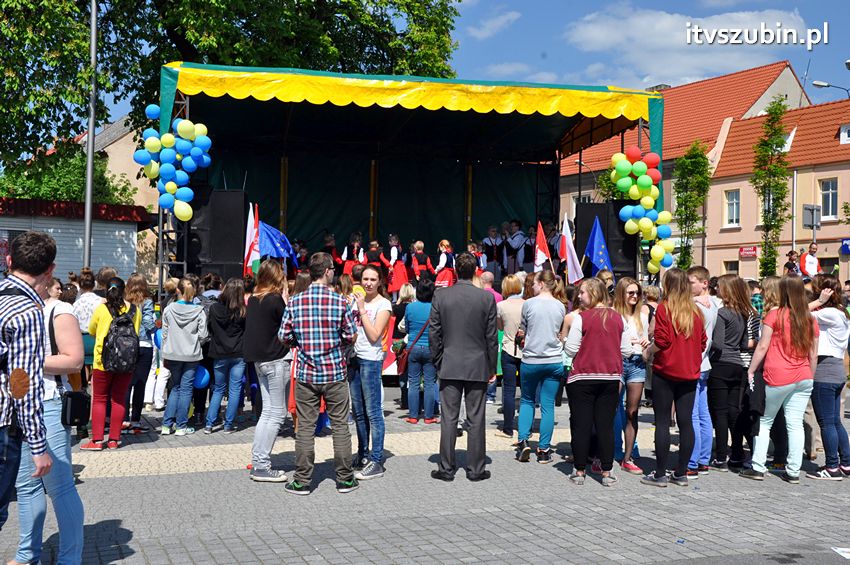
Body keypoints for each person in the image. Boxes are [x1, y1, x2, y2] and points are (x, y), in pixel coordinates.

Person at [12, 259, 85, 565]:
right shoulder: (12, 304)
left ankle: (70, 559)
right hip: (17, 404)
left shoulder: (58, 310)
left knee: (59, 486)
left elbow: (74, 361)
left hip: (49, 403)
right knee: (26, 485)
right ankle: (28, 554)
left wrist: (26, 358)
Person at [279, 252, 359, 495]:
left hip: (306, 373)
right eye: (333, 269)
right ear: (326, 271)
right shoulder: (340, 302)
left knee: (305, 427)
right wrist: (339, 344)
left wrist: (299, 343)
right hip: (334, 371)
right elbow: (351, 334)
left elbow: (283, 336)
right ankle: (345, 479)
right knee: (340, 427)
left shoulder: (295, 301)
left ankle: (302, 480)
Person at [0, 231, 55, 532]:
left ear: (9, 261)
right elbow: (22, 383)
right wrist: (38, 446)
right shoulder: (27, 312)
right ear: (50, 270)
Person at [741, 276, 818, 483]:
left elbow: (762, 346)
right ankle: (793, 471)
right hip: (803, 376)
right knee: (795, 424)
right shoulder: (809, 318)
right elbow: (813, 353)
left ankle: (758, 467)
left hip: (777, 375)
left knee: (765, 421)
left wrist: (751, 369)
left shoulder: (775, 314)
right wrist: (810, 376)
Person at [429, 252, 498, 482]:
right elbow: (491, 338)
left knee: (449, 417)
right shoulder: (486, 298)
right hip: (477, 363)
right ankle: (476, 469)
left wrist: (438, 359)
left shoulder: (441, 296)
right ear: (476, 270)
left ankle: (446, 468)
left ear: (456, 270)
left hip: (450, 361)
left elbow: (434, 334)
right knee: (476, 417)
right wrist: (491, 366)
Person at [641, 268, 706, 487]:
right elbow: (703, 342)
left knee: (662, 421)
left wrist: (648, 351)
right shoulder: (696, 311)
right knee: (686, 422)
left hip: (666, 371)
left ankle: (659, 473)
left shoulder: (664, 309)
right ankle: (681, 472)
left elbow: (662, 340)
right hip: (689, 372)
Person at [564, 278, 629, 485]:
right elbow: (626, 350)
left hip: (582, 376)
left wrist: (565, 341)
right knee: (605, 426)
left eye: (582, 292)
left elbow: (571, 349)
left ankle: (580, 470)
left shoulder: (582, 318)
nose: (579, 296)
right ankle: (607, 471)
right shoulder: (619, 318)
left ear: (593, 293)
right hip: (610, 377)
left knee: (582, 424)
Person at [82, 277, 141, 450]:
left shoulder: (101, 309)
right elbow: (135, 332)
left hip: (103, 360)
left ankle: (97, 441)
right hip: (127, 360)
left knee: (100, 399)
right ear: (124, 290)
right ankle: (114, 440)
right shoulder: (134, 310)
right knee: (119, 399)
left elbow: (92, 329)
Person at [243, 260, 290, 482]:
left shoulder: (253, 299)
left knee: (268, 412)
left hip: (259, 360)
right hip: (275, 359)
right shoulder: (274, 300)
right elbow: (290, 325)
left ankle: (259, 459)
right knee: (277, 413)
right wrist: (287, 300)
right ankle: (261, 464)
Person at [516, 271, 567, 465]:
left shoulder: (528, 304)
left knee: (527, 401)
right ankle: (544, 450)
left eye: (535, 283)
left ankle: (523, 441)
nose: (533, 286)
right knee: (547, 406)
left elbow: (524, 330)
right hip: (553, 359)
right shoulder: (560, 307)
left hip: (531, 359)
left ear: (541, 284)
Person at [705, 274, 753, 476]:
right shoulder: (742, 313)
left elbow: (717, 342)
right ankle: (737, 452)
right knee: (734, 411)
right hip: (737, 365)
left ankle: (721, 456)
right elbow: (743, 344)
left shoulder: (723, 313)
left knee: (720, 412)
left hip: (721, 364)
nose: (718, 290)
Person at [349, 265, 392, 479]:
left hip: (370, 360)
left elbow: (375, 335)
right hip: (353, 358)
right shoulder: (355, 299)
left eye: (372, 279)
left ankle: (376, 459)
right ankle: (362, 453)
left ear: (380, 281)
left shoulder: (384, 304)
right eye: (365, 278)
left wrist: (362, 309)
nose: (368, 283)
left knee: (373, 412)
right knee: (358, 411)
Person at [805, 274, 850, 480]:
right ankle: (846, 463)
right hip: (836, 369)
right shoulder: (841, 312)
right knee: (835, 422)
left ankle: (832, 467)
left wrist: (819, 302)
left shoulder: (829, 313)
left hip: (825, 369)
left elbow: (797, 313)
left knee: (827, 423)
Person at [159, 278, 207, 437]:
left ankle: (166, 425)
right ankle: (181, 426)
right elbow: (203, 335)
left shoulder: (169, 309)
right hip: (191, 354)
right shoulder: (199, 311)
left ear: (178, 290)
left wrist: (165, 352)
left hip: (173, 353)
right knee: (186, 389)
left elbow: (164, 333)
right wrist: (194, 342)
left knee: (175, 388)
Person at [612, 277, 648, 475]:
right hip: (617, 362)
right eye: (630, 293)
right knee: (610, 408)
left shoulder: (642, 316)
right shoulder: (614, 315)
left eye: (637, 293)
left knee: (632, 412)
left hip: (636, 363)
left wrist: (645, 346)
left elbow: (647, 348)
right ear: (621, 294)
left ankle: (627, 457)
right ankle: (609, 453)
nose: (635, 296)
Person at [686, 266, 719, 473]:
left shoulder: (700, 306)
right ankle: (703, 458)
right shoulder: (714, 303)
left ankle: (692, 461)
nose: (688, 286)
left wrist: (694, 301)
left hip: (694, 362)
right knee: (703, 412)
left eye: (691, 282)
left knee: (693, 414)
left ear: (704, 283)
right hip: (704, 362)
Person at [205, 278, 247, 434]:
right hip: (238, 352)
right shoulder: (243, 311)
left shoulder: (215, 308)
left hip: (220, 352)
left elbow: (210, 328)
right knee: (235, 389)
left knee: (218, 388)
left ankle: (209, 423)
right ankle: (228, 424)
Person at [400, 278, 437, 424]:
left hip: (413, 347)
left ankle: (413, 416)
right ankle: (429, 417)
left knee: (413, 382)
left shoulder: (410, 307)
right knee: (429, 383)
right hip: (430, 348)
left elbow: (407, 328)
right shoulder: (435, 307)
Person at [123, 273, 155, 435]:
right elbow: (149, 323)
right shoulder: (147, 302)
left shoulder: (124, 302)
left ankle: (123, 420)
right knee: (140, 384)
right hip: (144, 344)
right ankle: (135, 419)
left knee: (126, 383)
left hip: (127, 344)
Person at [495, 274, 524, 438]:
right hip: (525, 350)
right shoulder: (527, 304)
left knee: (509, 391)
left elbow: (500, 327)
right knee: (526, 391)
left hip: (508, 348)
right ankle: (524, 427)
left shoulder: (501, 305)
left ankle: (507, 427)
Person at [382, 234, 409, 301]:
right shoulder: (399, 247)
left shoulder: (393, 248)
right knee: (400, 282)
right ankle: (400, 298)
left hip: (396, 266)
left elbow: (393, 258)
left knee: (394, 282)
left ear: (395, 241)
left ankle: (394, 299)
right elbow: (403, 258)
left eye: (391, 241)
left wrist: (390, 266)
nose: (389, 243)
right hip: (401, 265)